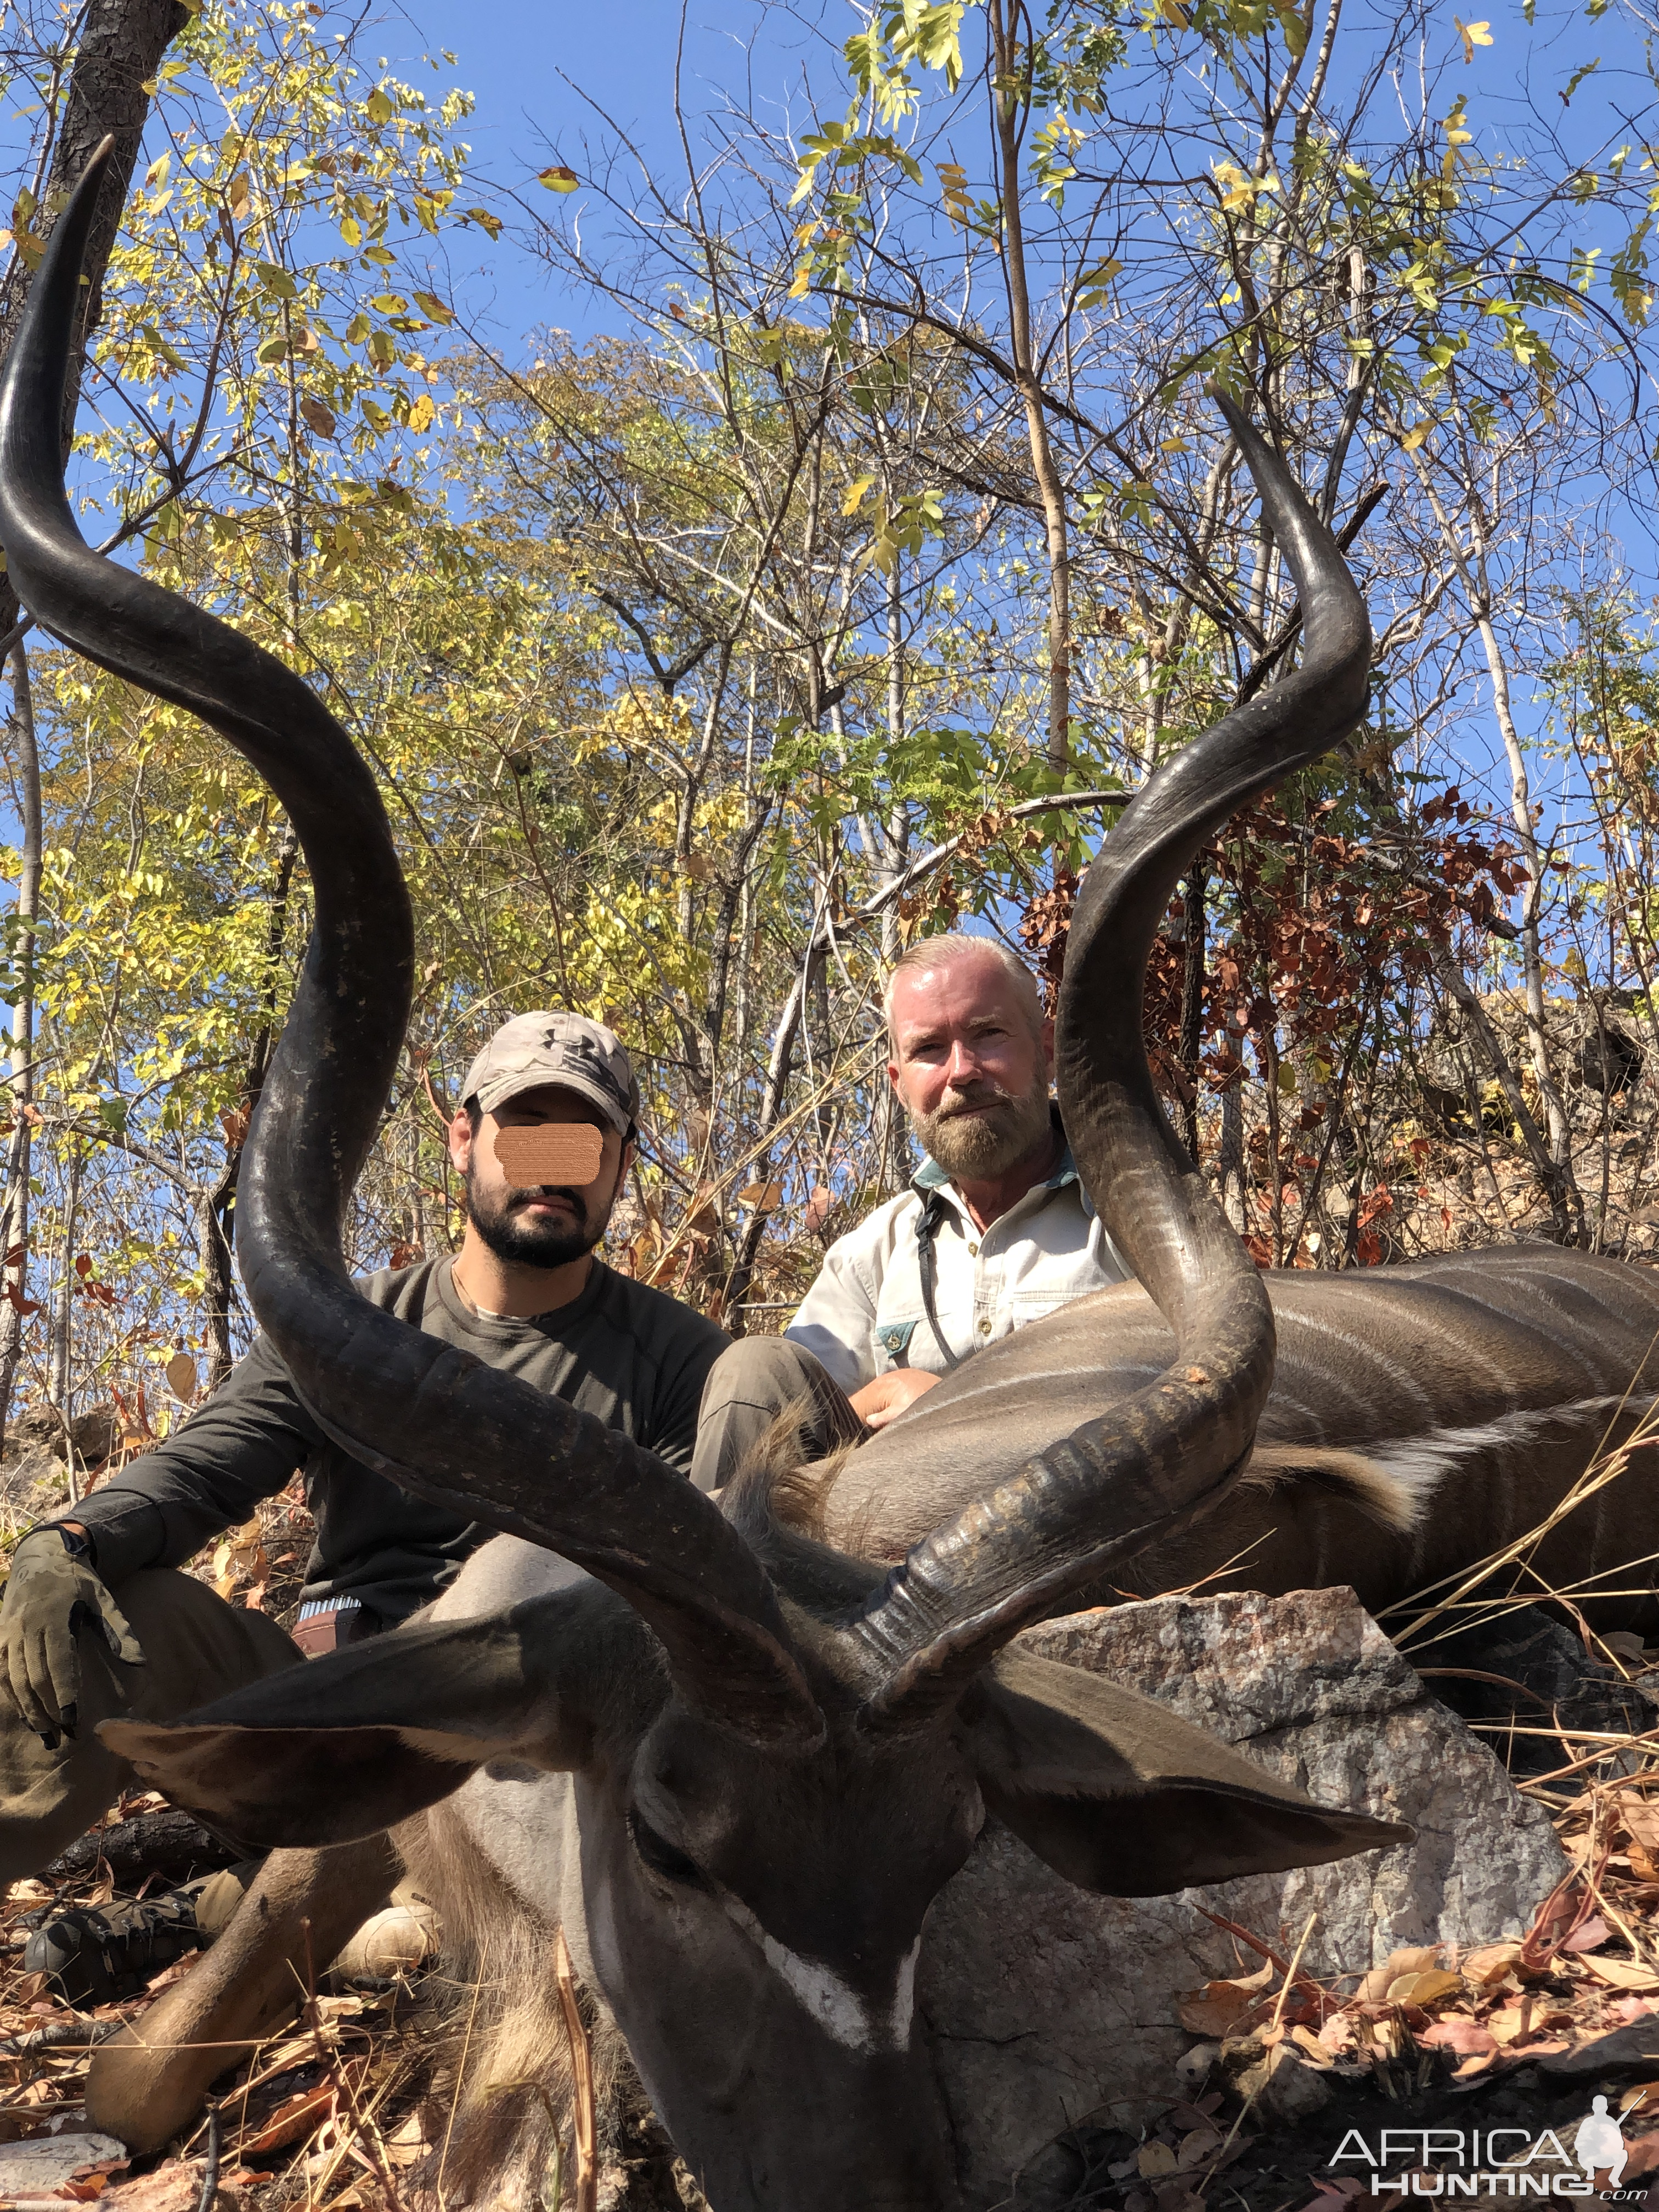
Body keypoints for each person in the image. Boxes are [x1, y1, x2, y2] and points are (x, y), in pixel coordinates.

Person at [0, 1010, 758, 1993]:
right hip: (325, 1711)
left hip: (520, 1747)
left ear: (619, 1168)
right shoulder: (343, 1328)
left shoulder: (680, 1363)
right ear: (463, 1137)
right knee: (91, 1619)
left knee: (433, 1933)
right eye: (527, 1133)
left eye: (584, 1144)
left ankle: (215, 1919)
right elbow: (199, 1468)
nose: (554, 1168)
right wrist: (66, 1539)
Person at [784, 932, 1131, 1430]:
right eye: (928, 1048)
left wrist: (950, 1413)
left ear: (1048, 1050)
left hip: (1110, 1501)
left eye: (988, 1033)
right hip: (905, 1507)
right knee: (755, 1370)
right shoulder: (872, 1257)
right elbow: (794, 1430)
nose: (962, 1071)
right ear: (899, 1086)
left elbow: (1217, 1384)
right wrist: (885, 1391)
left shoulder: (1131, 1212)